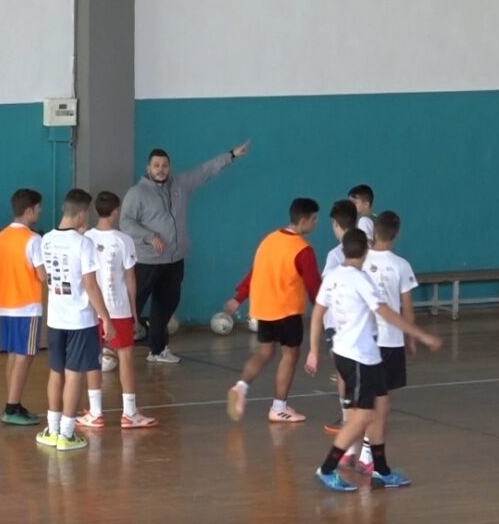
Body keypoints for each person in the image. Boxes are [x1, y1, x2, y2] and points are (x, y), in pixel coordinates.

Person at [306, 229, 441, 491]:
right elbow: (387, 313)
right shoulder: (360, 280)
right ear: (366, 251)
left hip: (360, 354)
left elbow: (317, 313)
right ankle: (327, 469)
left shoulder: (332, 277)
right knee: (362, 416)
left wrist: (313, 349)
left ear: (344, 249)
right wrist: (422, 336)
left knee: (381, 406)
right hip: (358, 358)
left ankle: (381, 470)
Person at [121, 142, 250, 363]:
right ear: (148, 168)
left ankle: (158, 350)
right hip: (147, 261)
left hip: (174, 260)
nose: (160, 169)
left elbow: (205, 170)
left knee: (166, 305)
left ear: (169, 167)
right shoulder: (137, 193)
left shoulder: (180, 184)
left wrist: (231, 155)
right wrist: (150, 236)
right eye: (156, 165)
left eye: (164, 165)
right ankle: (112, 349)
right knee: (131, 305)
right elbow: (126, 223)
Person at [224, 198, 321, 422]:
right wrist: (323, 310)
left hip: (264, 309)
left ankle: (241, 386)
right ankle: (278, 407)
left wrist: (239, 297)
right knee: (290, 354)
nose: (315, 223)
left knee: (264, 352)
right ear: (304, 220)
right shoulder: (303, 249)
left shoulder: (269, 240)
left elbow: (254, 273)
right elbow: (314, 285)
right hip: (287, 310)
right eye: (314, 219)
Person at [341, 211, 420, 474]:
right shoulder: (401, 265)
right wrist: (411, 337)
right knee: (380, 401)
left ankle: (350, 450)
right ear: (397, 233)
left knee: (361, 399)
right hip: (390, 341)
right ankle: (366, 454)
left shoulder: (360, 260)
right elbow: (406, 308)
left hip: (361, 341)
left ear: (373, 231)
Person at [35, 189, 114, 451]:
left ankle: (52, 428)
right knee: (74, 374)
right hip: (80, 320)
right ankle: (67, 433)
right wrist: (106, 317)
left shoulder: (44, 239)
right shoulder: (83, 244)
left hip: (55, 318)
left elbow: (44, 276)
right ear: (82, 213)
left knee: (55, 372)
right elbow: (90, 285)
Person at [78, 191, 158, 429]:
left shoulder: (84, 238)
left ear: (95, 211)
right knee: (125, 358)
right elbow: (131, 278)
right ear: (116, 212)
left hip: (91, 310)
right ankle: (130, 413)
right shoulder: (124, 240)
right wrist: (134, 311)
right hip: (118, 308)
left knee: (93, 359)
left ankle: (95, 412)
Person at [0, 188, 46, 426]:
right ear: (29, 210)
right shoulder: (33, 239)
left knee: (14, 355)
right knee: (24, 355)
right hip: (27, 304)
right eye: (38, 208)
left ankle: (13, 401)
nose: (40, 211)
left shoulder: (2, 236)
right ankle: (11, 407)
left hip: (6, 303)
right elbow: (42, 275)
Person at [321, 200, 358, 436]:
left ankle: (348, 418)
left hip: (338, 323)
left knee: (344, 372)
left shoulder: (336, 255)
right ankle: (360, 414)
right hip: (360, 323)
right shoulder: (366, 249)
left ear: (336, 224)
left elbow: (327, 289)